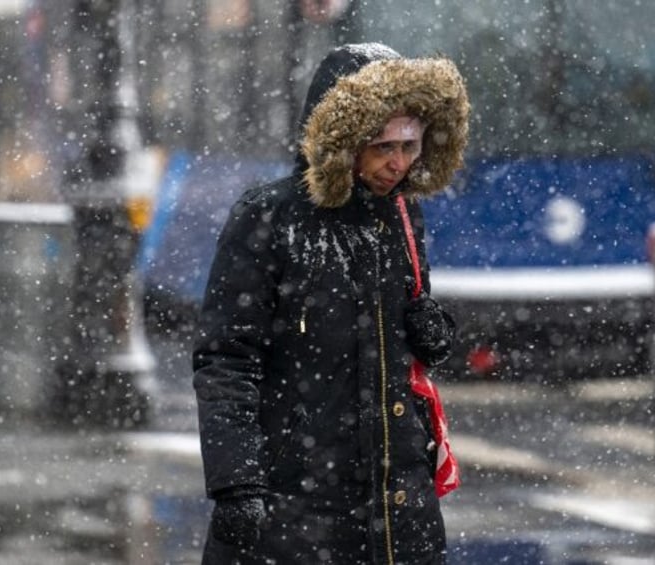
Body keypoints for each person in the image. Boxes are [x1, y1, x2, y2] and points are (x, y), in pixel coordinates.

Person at [193, 42, 470, 564]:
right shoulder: (270, 217)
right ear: (341, 141)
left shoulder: (404, 215)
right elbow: (227, 359)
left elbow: (401, 342)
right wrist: (235, 485)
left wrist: (432, 330)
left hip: (397, 502)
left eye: (410, 145)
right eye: (383, 146)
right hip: (298, 505)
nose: (398, 163)